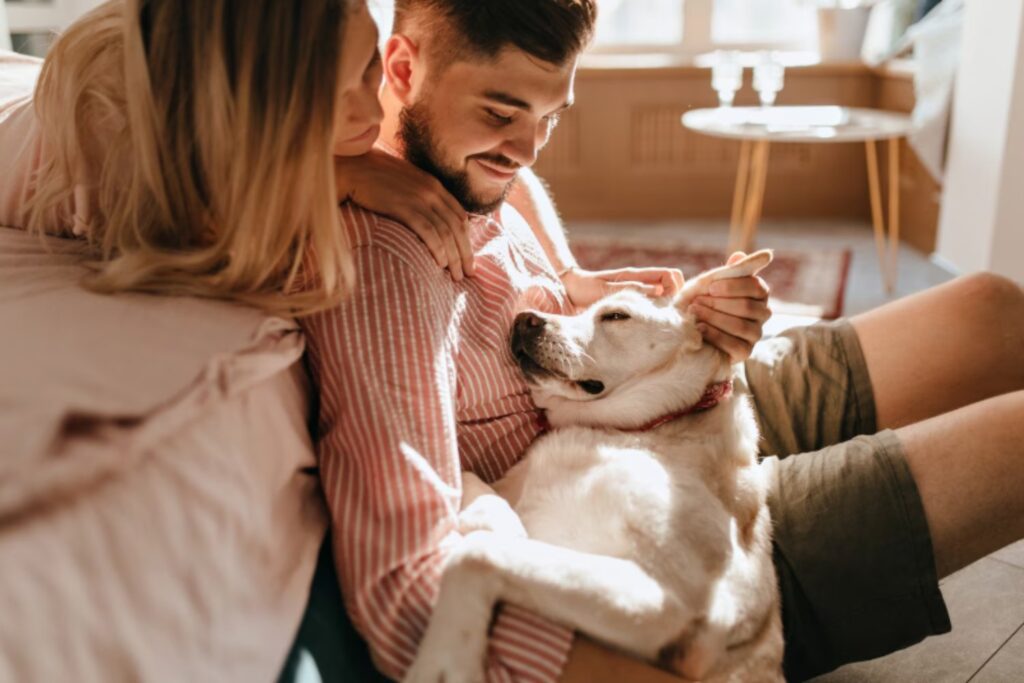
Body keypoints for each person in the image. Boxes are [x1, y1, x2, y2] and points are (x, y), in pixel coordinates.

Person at [296, 1, 1024, 682]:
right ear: (401, 72)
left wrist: (584, 282)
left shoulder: (453, 165)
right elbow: (404, 593)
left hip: (672, 397)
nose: (526, 150)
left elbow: (513, 177)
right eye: (503, 112)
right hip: (665, 539)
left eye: (550, 115)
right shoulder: (382, 272)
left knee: (995, 309)